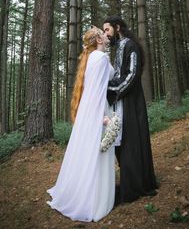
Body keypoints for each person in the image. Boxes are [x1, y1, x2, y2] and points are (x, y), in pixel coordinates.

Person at [47, 26, 115, 222]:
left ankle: (81, 190)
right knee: (98, 151)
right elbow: (100, 89)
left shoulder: (93, 57)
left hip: (89, 109)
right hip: (98, 110)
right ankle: (94, 200)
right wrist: (105, 117)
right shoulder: (100, 58)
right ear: (99, 40)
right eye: (103, 33)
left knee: (87, 150)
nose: (106, 33)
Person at [103, 16, 158, 205]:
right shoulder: (119, 47)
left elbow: (132, 75)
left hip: (132, 103)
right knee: (123, 144)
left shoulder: (130, 46)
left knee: (132, 142)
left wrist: (111, 90)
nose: (105, 34)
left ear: (117, 28)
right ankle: (130, 183)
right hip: (122, 102)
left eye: (107, 30)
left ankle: (136, 186)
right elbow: (119, 74)